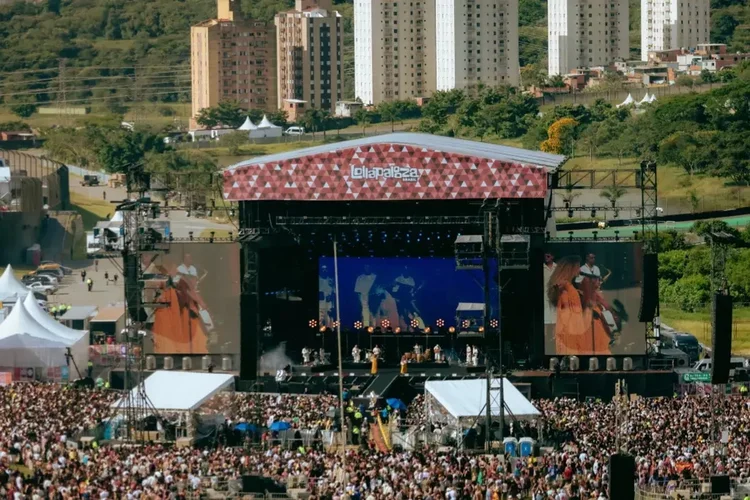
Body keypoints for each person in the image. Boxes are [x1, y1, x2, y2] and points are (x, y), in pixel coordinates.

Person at [543, 253, 558, 325]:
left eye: (548, 256)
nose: (546, 258)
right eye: (545, 256)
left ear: (552, 257)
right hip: (544, 296)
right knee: (546, 320)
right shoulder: (542, 267)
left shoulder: (557, 268)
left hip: (554, 296)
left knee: (555, 319)